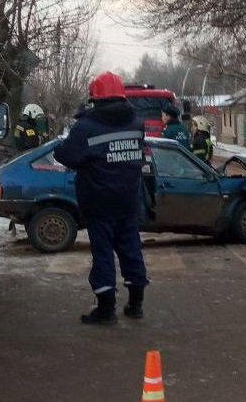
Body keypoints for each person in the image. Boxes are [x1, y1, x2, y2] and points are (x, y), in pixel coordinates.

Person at [54, 71, 149, 325]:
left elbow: (67, 156)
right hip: (128, 201)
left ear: (94, 99)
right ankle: (136, 304)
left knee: (103, 254)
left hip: (98, 202)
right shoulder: (137, 124)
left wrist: (58, 145)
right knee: (131, 250)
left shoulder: (86, 127)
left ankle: (106, 309)